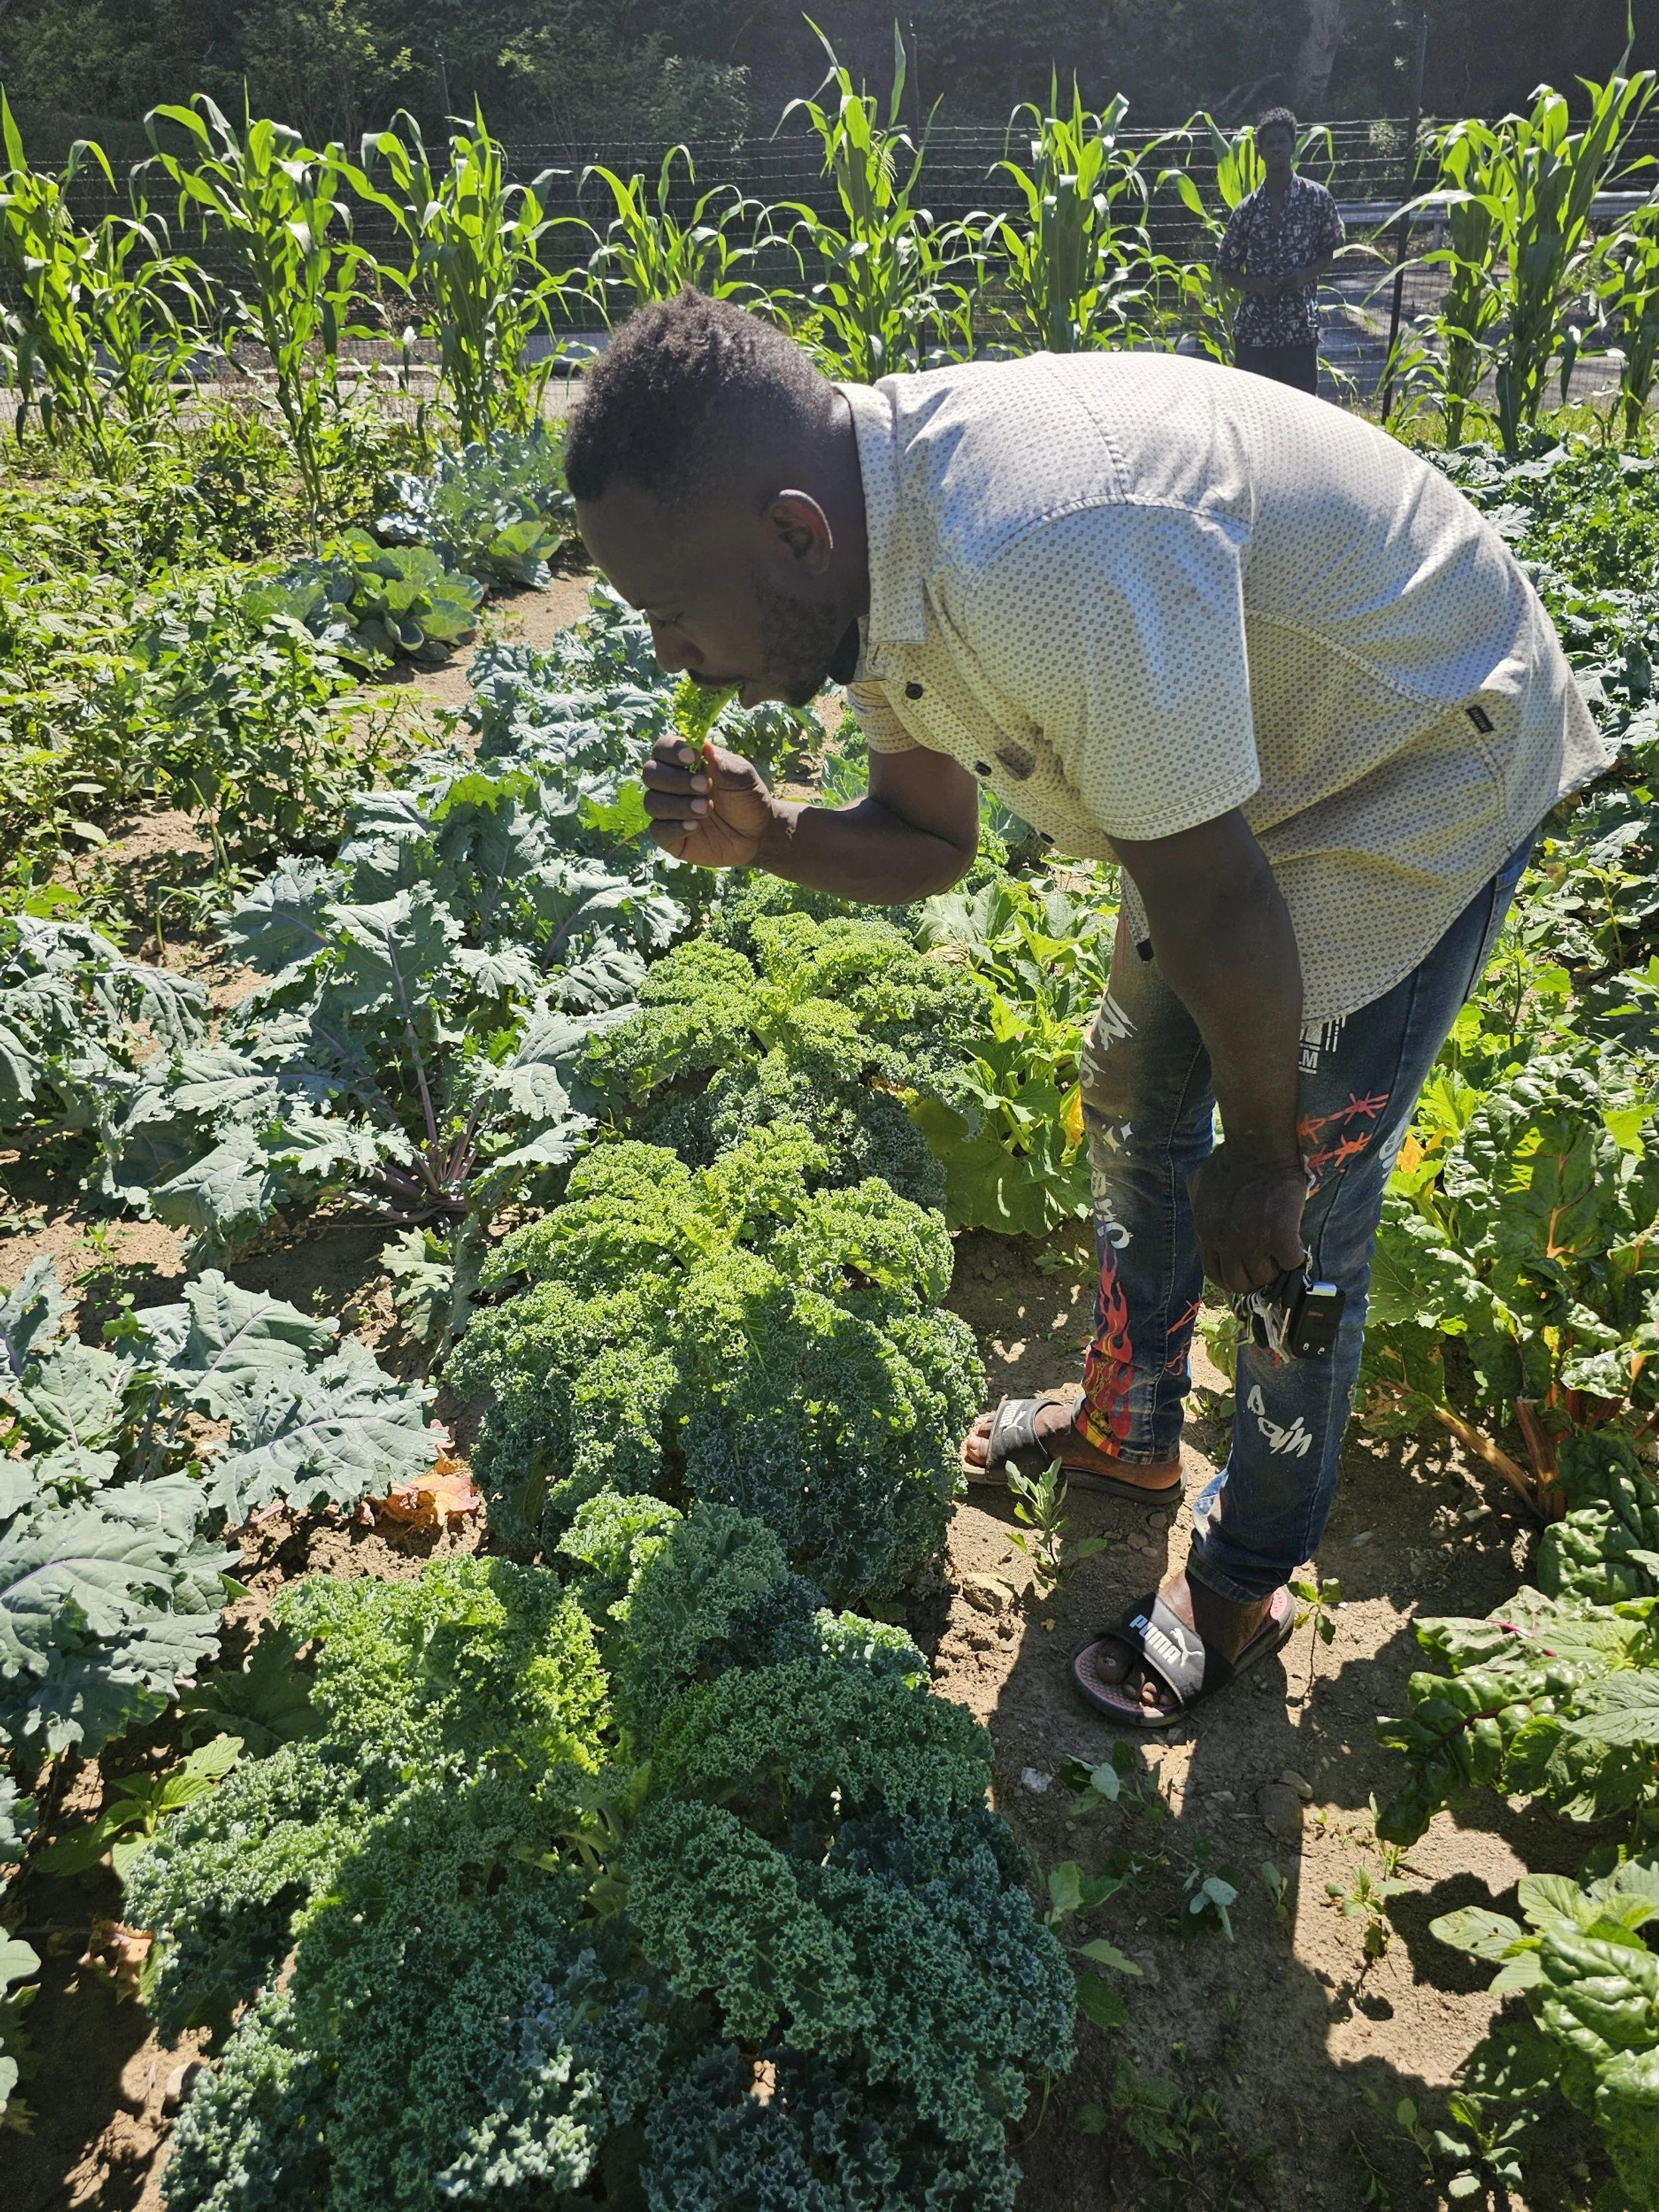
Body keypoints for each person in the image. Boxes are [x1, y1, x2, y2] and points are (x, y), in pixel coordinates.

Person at [563, 291, 1608, 1729]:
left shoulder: (1036, 555)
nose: (673, 658)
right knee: (1133, 1089)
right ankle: (1126, 1429)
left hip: (1410, 747)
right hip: (1228, 801)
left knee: (1295, 1212)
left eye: (671, 616)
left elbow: (1224, 903)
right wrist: (769, 832)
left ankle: (1246, 1568)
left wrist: (1263, 1155)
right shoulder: (866, 555)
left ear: (791, 534)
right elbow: (929, 839)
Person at [1216, 105, 1345, 394]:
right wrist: (1256, 286)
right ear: (1261, 152)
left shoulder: (1317, 200)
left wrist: (1303, 276)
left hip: (1298, 330)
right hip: (1254, 334)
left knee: (1300, 418)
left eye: (1282, 142)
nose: (1276, 149)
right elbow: (1226, 268)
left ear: (1293, 146)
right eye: (1269, 144)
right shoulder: (1246, 211)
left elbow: (1329, 251)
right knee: (1253, 414)